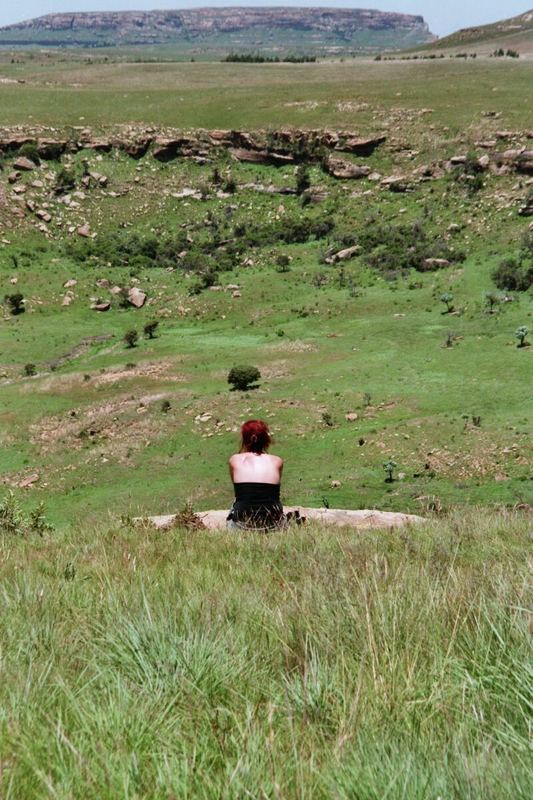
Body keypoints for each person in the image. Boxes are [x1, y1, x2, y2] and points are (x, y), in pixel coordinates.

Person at [227, 419, 284, 530]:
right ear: (266, 440)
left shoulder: (235, 460)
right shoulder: (277, 461)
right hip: (272, 522)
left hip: (243, 522)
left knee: (237, 501)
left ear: (244, 439)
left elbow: (236, 488)